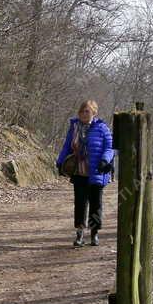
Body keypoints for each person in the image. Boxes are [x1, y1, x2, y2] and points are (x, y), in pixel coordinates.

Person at [56, 99, 114, 247]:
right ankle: (80, 234)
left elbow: (110, 147)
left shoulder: (102, 128)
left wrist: (105, 160)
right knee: (80, 204)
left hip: (96, 172)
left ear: (94, 112)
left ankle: (94, 233)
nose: (83, 114)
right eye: (81, 111)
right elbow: (67, 146)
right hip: (79, 172)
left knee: (96, 205)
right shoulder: (74, 127)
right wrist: (60, 161)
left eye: (87, 111)